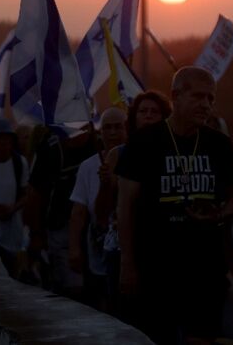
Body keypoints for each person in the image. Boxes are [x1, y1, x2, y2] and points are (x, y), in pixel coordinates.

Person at [116, 67, 233, 344]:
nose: (206, 104)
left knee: (203, 337)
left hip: (205, 266)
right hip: (157, 266)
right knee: (158, 337)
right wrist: (128, 263)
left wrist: (220, 213)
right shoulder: (144, 142)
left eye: (210, 98)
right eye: (198, 96)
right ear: (175, 96)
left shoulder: (218, 144)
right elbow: (125, 207)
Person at [95, 91, 171, 316]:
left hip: (162, 248)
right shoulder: (118, 155)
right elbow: (102, 214)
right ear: (134, 118)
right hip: (122, 250)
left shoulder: (171, 152)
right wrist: (106, 185)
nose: (148, 116)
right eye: (143, 111)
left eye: (154, 112)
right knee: (125, 320)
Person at [25, 122, 99, 297]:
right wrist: (36, 234)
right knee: (72, 289)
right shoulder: (50, 149)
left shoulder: (98, 144)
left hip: (94, 227)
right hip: (60, 228)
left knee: (95, 288)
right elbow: (35, 195)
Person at [69, 106, 127, 310]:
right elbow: (79, 211)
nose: (112, 133)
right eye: (107, 128)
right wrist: (74, 248)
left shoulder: (138, 160)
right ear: (100, 133)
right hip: (98, 250)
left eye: (118, 127)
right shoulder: (87, 167)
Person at [0, 118, 29, 277]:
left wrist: (12, 208)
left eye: (8, 138)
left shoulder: (19, 163)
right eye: (1, 138)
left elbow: (26, 194)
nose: (5, 142)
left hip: (13, 234)